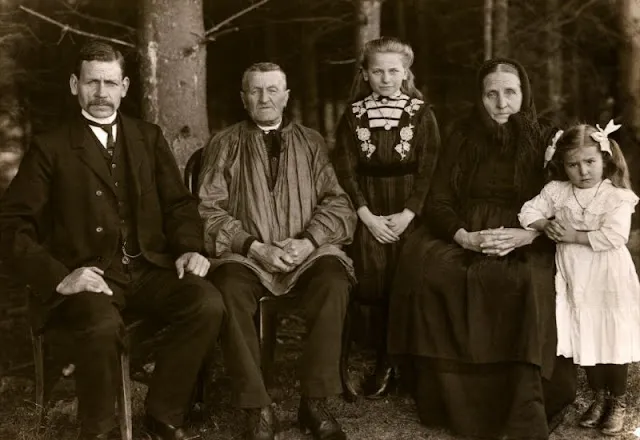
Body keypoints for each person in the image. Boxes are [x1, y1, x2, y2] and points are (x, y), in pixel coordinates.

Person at [0, 41, 224, 440]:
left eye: (109, 83)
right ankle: (98, 430)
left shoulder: (148, 137)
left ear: (125, 86)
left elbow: (178, 204)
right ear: (75, 85)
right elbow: (12, 224)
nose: (101, 93)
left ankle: (163, 414)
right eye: (91, 83)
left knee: (205, 303)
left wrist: (189, 247)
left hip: (148, 267)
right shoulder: (51, 146)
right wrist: (60, 277)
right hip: (89, 275)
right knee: (102, 326)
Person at [387, 58, 577, 439]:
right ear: (481, 97)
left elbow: (563, 197)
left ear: (524, 94)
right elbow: (439, 200)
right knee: (437, 272)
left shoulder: (546, 137)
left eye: (510, 93)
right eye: (492, 94)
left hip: (527, 230)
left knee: (525, 279)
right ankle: (448, 399)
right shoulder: (461, 135)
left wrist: (531, 234)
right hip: (465, 229)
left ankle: (524, 402)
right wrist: (464, 237)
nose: (502, 103)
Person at [199, 62, 356, 440]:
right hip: (248, 256)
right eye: (255, 91)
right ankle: (257, 407)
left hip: (306, 254)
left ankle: (314, 402)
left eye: (272, 90)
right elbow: (208, 209)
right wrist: (253, 247)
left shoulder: (312, 141)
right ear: (243, 98)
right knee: (228, 290)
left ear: (286, 96)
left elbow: (338, 203)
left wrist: (309, 241)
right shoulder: (225, 142)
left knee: (334, 281)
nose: (264, 98)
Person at [331, 36, 441, 398]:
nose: (386, 78)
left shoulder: (421, 113)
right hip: (368, 209)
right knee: (372, 277)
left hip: (409, 210)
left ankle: (403, 360)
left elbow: (429, 169)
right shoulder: (353, 114)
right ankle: (375, 354)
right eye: (377, 71)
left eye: (394, 70)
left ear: (406, 72)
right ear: (365, 74)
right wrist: (367, 215)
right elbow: (345, 169)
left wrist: (410, 213)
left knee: (410, 277)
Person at [519, 121, 640, 436]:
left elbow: (615, 235)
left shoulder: (616, 196)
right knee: (586, 332)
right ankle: (598, 397)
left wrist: (571, 233)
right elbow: (527, 211)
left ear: (605, 159)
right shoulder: (557, 192)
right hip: (577, 278)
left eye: (590, 162)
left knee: (610, 335)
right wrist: (545, 224)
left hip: (607, 276)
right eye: (573, 164)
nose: (583, 171)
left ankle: (618, 400)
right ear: (563, 165)